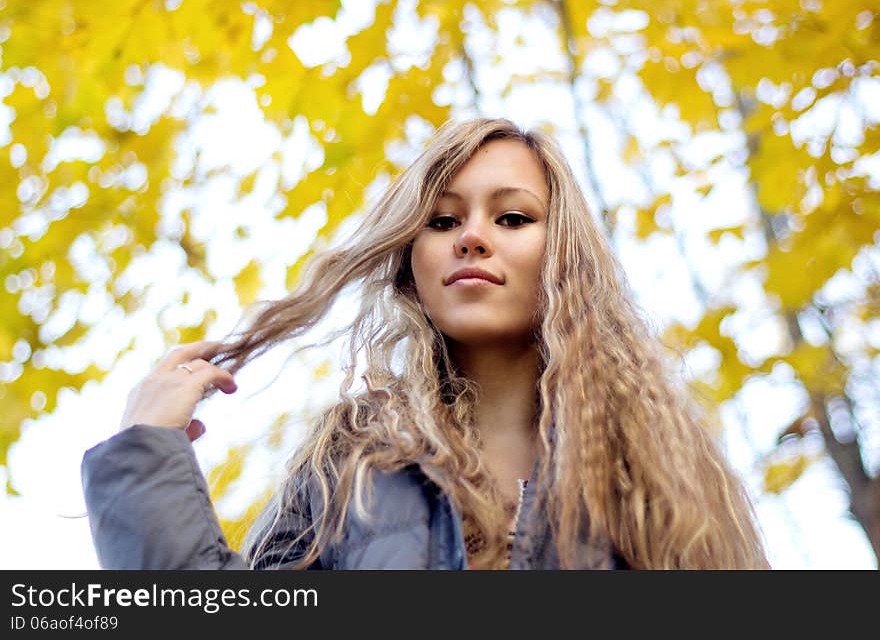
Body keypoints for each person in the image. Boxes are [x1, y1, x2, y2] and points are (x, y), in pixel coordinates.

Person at [81, 117, 770, 570]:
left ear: (564, 255)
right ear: (411, 264)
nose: (472, 235)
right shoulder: (346, 471)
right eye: (442, 219)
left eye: (511, 216)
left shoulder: (662, 477)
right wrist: (144, 458)